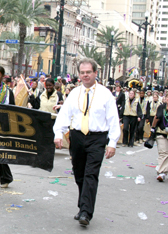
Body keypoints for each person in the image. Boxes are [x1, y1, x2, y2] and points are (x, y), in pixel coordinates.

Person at [53, 57, 120, 227]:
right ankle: (83, 206)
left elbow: (113, 119)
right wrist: (58, 134)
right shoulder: (75, 93)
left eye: (88, 72)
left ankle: (86, 212)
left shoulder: (105, 94)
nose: (85, 76)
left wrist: (112, 142)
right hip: (77, 137)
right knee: (79, 174)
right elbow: (64, 115)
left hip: (97, 138)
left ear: (95, 73)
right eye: (82, 73)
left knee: (91, 174)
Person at [145, 94, 168, 182]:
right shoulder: (161, 107)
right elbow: (156, 117)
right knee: (163, 152)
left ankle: (164, 169)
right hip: (161, 132)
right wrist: (153, 129)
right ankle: (161, 172)